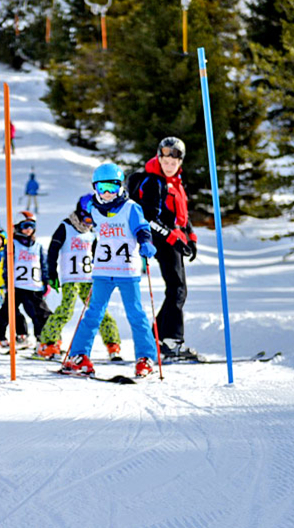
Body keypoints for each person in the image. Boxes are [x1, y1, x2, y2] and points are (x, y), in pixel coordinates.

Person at [64, 163, 158, 378]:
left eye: (112, 188)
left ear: (120, 186)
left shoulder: (131, 207)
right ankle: (78, 355)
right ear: (95, 188)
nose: (107, 193)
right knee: (93, 313)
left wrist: (145, 242)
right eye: (102, 188)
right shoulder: (94, 210)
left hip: (127, 271)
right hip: (103, 271)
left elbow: (142, 228)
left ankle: (145, 357)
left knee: (135, 314)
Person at [126, 137, 198, 360]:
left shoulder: (175, 182)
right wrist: (172, 237)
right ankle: (171, 341)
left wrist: (191, 236)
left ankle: (156, 338)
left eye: (173, 160)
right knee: (177, 289)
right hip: (162, 241)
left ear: (180, 162)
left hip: (173, 240)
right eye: (165, 159)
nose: (169, 164)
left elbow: (181, 216)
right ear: (159, 157)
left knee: (176, 289)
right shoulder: (153, 182)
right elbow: (148, 218)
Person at [35, 195, 122, 361]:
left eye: (93, 219)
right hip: (71, 279)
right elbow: (52, 251)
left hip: (89, 280)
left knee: (100, 310)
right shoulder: (66, 227)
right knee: (66, 311)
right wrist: (51, 274)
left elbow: (99, 255)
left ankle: (113, 344)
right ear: (80, 213)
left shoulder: (92, 233)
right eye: (87, 218)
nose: (89, 223)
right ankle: (48, 342)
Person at [0, 211, 51, 351]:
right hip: (17, 286)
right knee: (7, 312)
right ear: (17, 227)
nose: (28, 229)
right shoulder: (12, 244)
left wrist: (46, 281)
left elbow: (43, 265)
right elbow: (6, 265)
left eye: (32, 226)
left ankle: (44, 340)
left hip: (34, 286)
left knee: (41, 314)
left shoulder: (38, 246)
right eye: (25, 226)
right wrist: (5, 282)